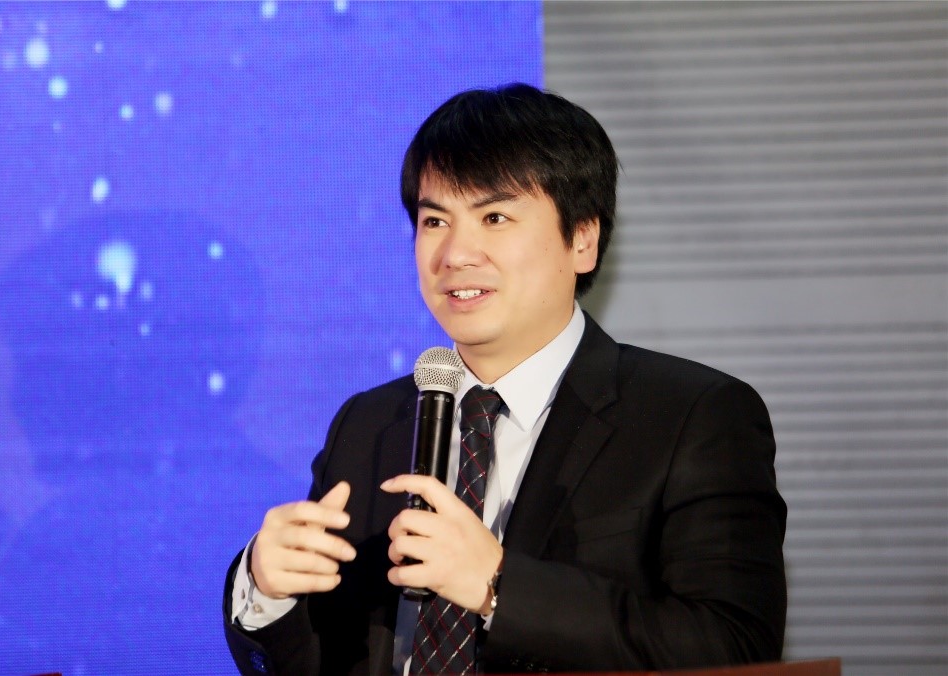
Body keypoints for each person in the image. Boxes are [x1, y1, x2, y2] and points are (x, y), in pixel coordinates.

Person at [222, 83, 787, 675]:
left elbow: (735, 647)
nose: (455, 254)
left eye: (494, 217)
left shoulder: (694, 416)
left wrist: (498, 585)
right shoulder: (369, 423)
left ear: (583, 239)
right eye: (434, 220)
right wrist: (265, 588)